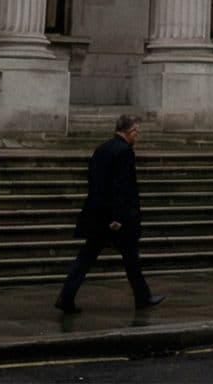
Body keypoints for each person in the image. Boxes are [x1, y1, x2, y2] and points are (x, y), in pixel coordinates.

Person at [54, 116, 163, 313]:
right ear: (128, 132)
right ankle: (143, 297)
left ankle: (66, 296)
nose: (137, 136)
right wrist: (117, 216)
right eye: (136, 132)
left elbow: (95, 181)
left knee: (87, 257)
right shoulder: (124, 152)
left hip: (97, 213)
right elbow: (121, 186)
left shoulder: (101, 149)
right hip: (116, 218)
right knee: (131, 258)